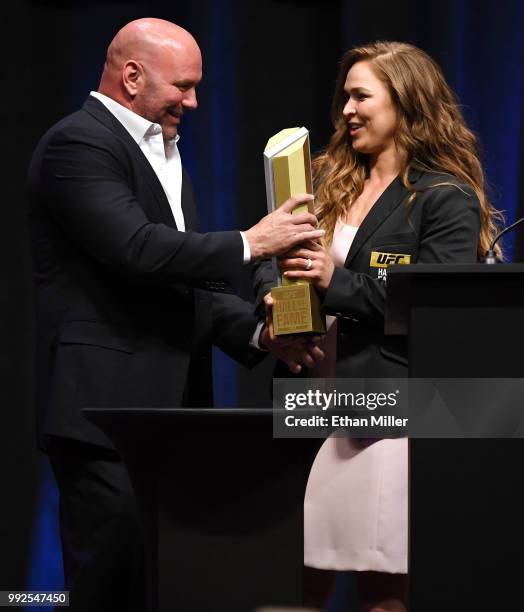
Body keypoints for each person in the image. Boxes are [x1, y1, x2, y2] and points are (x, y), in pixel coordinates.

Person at [28, 18, 325, 611]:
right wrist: (251, 242)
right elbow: (137, 250)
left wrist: (261, 335)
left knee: (171, 588)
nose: (193, 101)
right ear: (132, 76)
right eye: (183, 86)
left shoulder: (166, 151)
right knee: (111, 587)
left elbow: (185, 283)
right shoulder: (77, 144)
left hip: (173, 416)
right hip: (106, 416)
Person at [256, 41, 502, 611]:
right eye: (344, 96)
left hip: (384, 415)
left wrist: (335, 282)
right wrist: (272, 309)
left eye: (362, 96)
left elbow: (436, 305)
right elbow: (270, 265)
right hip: (308, 404)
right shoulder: (322, 181)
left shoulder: (444, 197)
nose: (346, 109)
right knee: (288, 583)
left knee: (382, 587)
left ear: (407, 103)